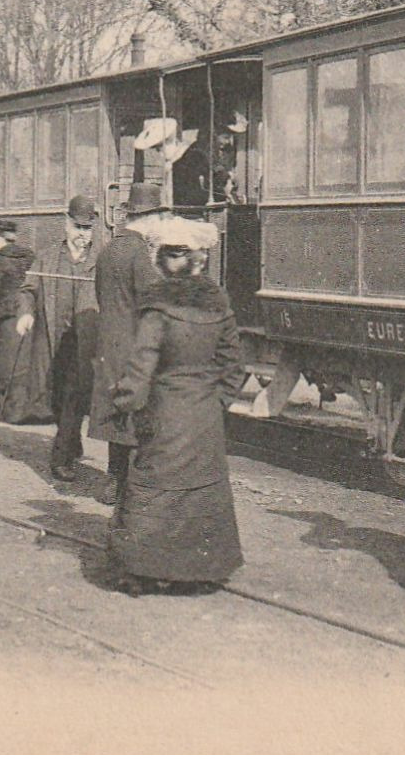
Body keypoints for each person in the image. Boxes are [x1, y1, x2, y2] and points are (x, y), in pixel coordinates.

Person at [109, 216, 244, 595]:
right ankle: (200, 572)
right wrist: (215, 404)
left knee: (153, 487)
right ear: (200, 262)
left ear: (166, 261)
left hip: (165, 414)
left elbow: (141, 367)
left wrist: (123, 402)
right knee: (201, 492)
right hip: (203, 419)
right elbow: (234, 367)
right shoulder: (220, 305)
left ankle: (142, 570)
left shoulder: (158, 309)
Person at [91, 182, 169, 503]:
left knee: (115, 413)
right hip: (136, 346)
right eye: (158, 219)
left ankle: (113, 481)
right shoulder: (141, 256)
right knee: (139, 414)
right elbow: (156, 301)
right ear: (147, 218)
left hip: (109, 344)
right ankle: (133, 486)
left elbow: (100, 295)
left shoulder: (108, 250)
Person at [18, 195, 102, 480]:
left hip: (85, 341)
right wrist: (26, 313)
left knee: (73, 396)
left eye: (87, 229)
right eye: (78, 227)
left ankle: (61, 457)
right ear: (66, 224)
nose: (82, 235)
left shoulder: (100, 259)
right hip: (53, 339)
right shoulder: (48, 255)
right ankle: (72, 439)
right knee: (55, 398)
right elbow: (28, 289)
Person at [0, 217, 37, 420]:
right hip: (27, 311)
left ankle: (7, 410)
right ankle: (22, 407)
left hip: (6, 313)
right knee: (23, 360)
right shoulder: (29, 255)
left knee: (4, 360)